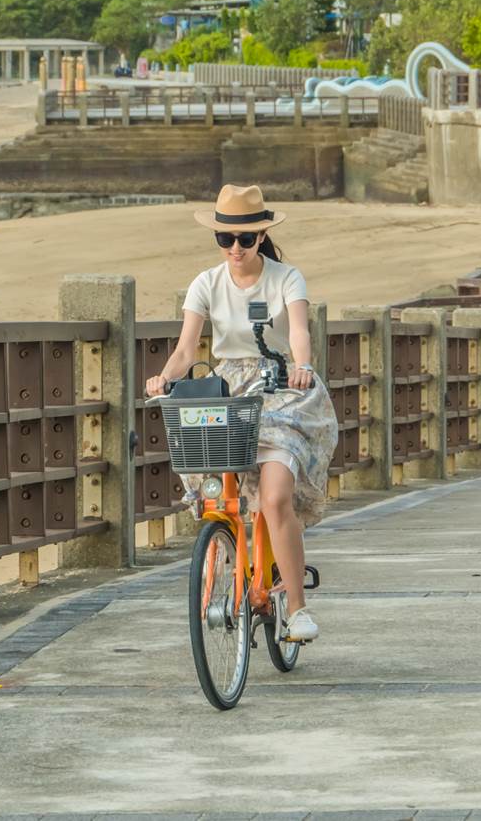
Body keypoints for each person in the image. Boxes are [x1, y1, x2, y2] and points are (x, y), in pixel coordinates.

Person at [144, 184, 338, 641]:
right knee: (221, 493)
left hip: (283, 387)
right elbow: (186, 349)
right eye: (225, 239)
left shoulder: (287, 277)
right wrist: (164, 378)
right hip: (230, 388)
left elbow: (298, 335)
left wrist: (304, 367)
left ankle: (295, 609)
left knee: (274, 499)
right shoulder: (205, 283)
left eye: (245, 239)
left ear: (261, 237)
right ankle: (235, 564)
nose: (235, 248)